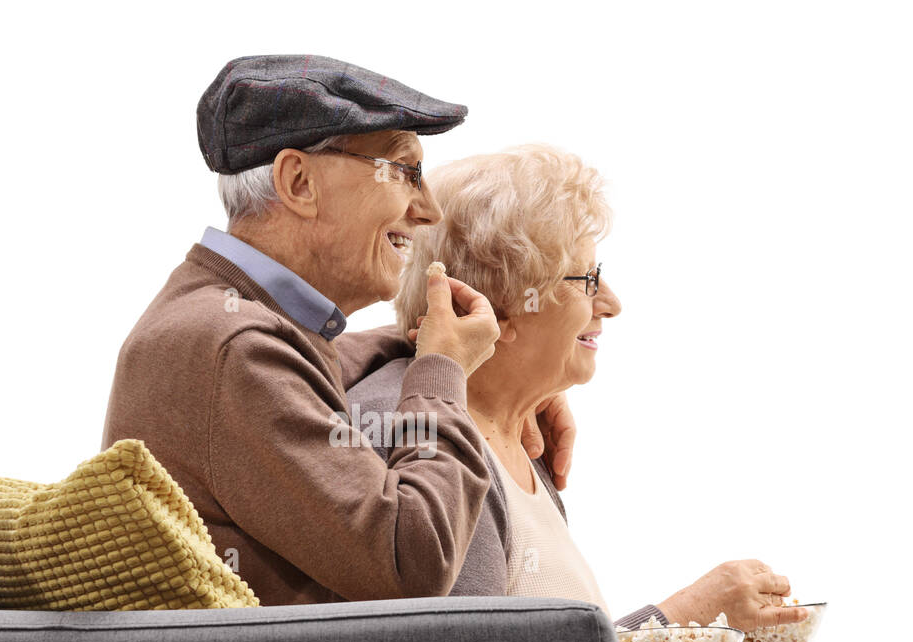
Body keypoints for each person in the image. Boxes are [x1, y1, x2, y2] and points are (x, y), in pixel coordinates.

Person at [348, 143, 848, 642]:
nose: (610, 303)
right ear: (498, 307)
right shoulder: (434, 445)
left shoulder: (522, 438)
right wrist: (686, 613)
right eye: (587, 279)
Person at [102, 55, 572, 606]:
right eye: (404, 170)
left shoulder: (225, 316)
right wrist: (444, 375)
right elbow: (414, 560)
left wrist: (482, 365)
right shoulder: (237, 350)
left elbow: (318, 359)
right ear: (299, 182)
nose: (429, 210)